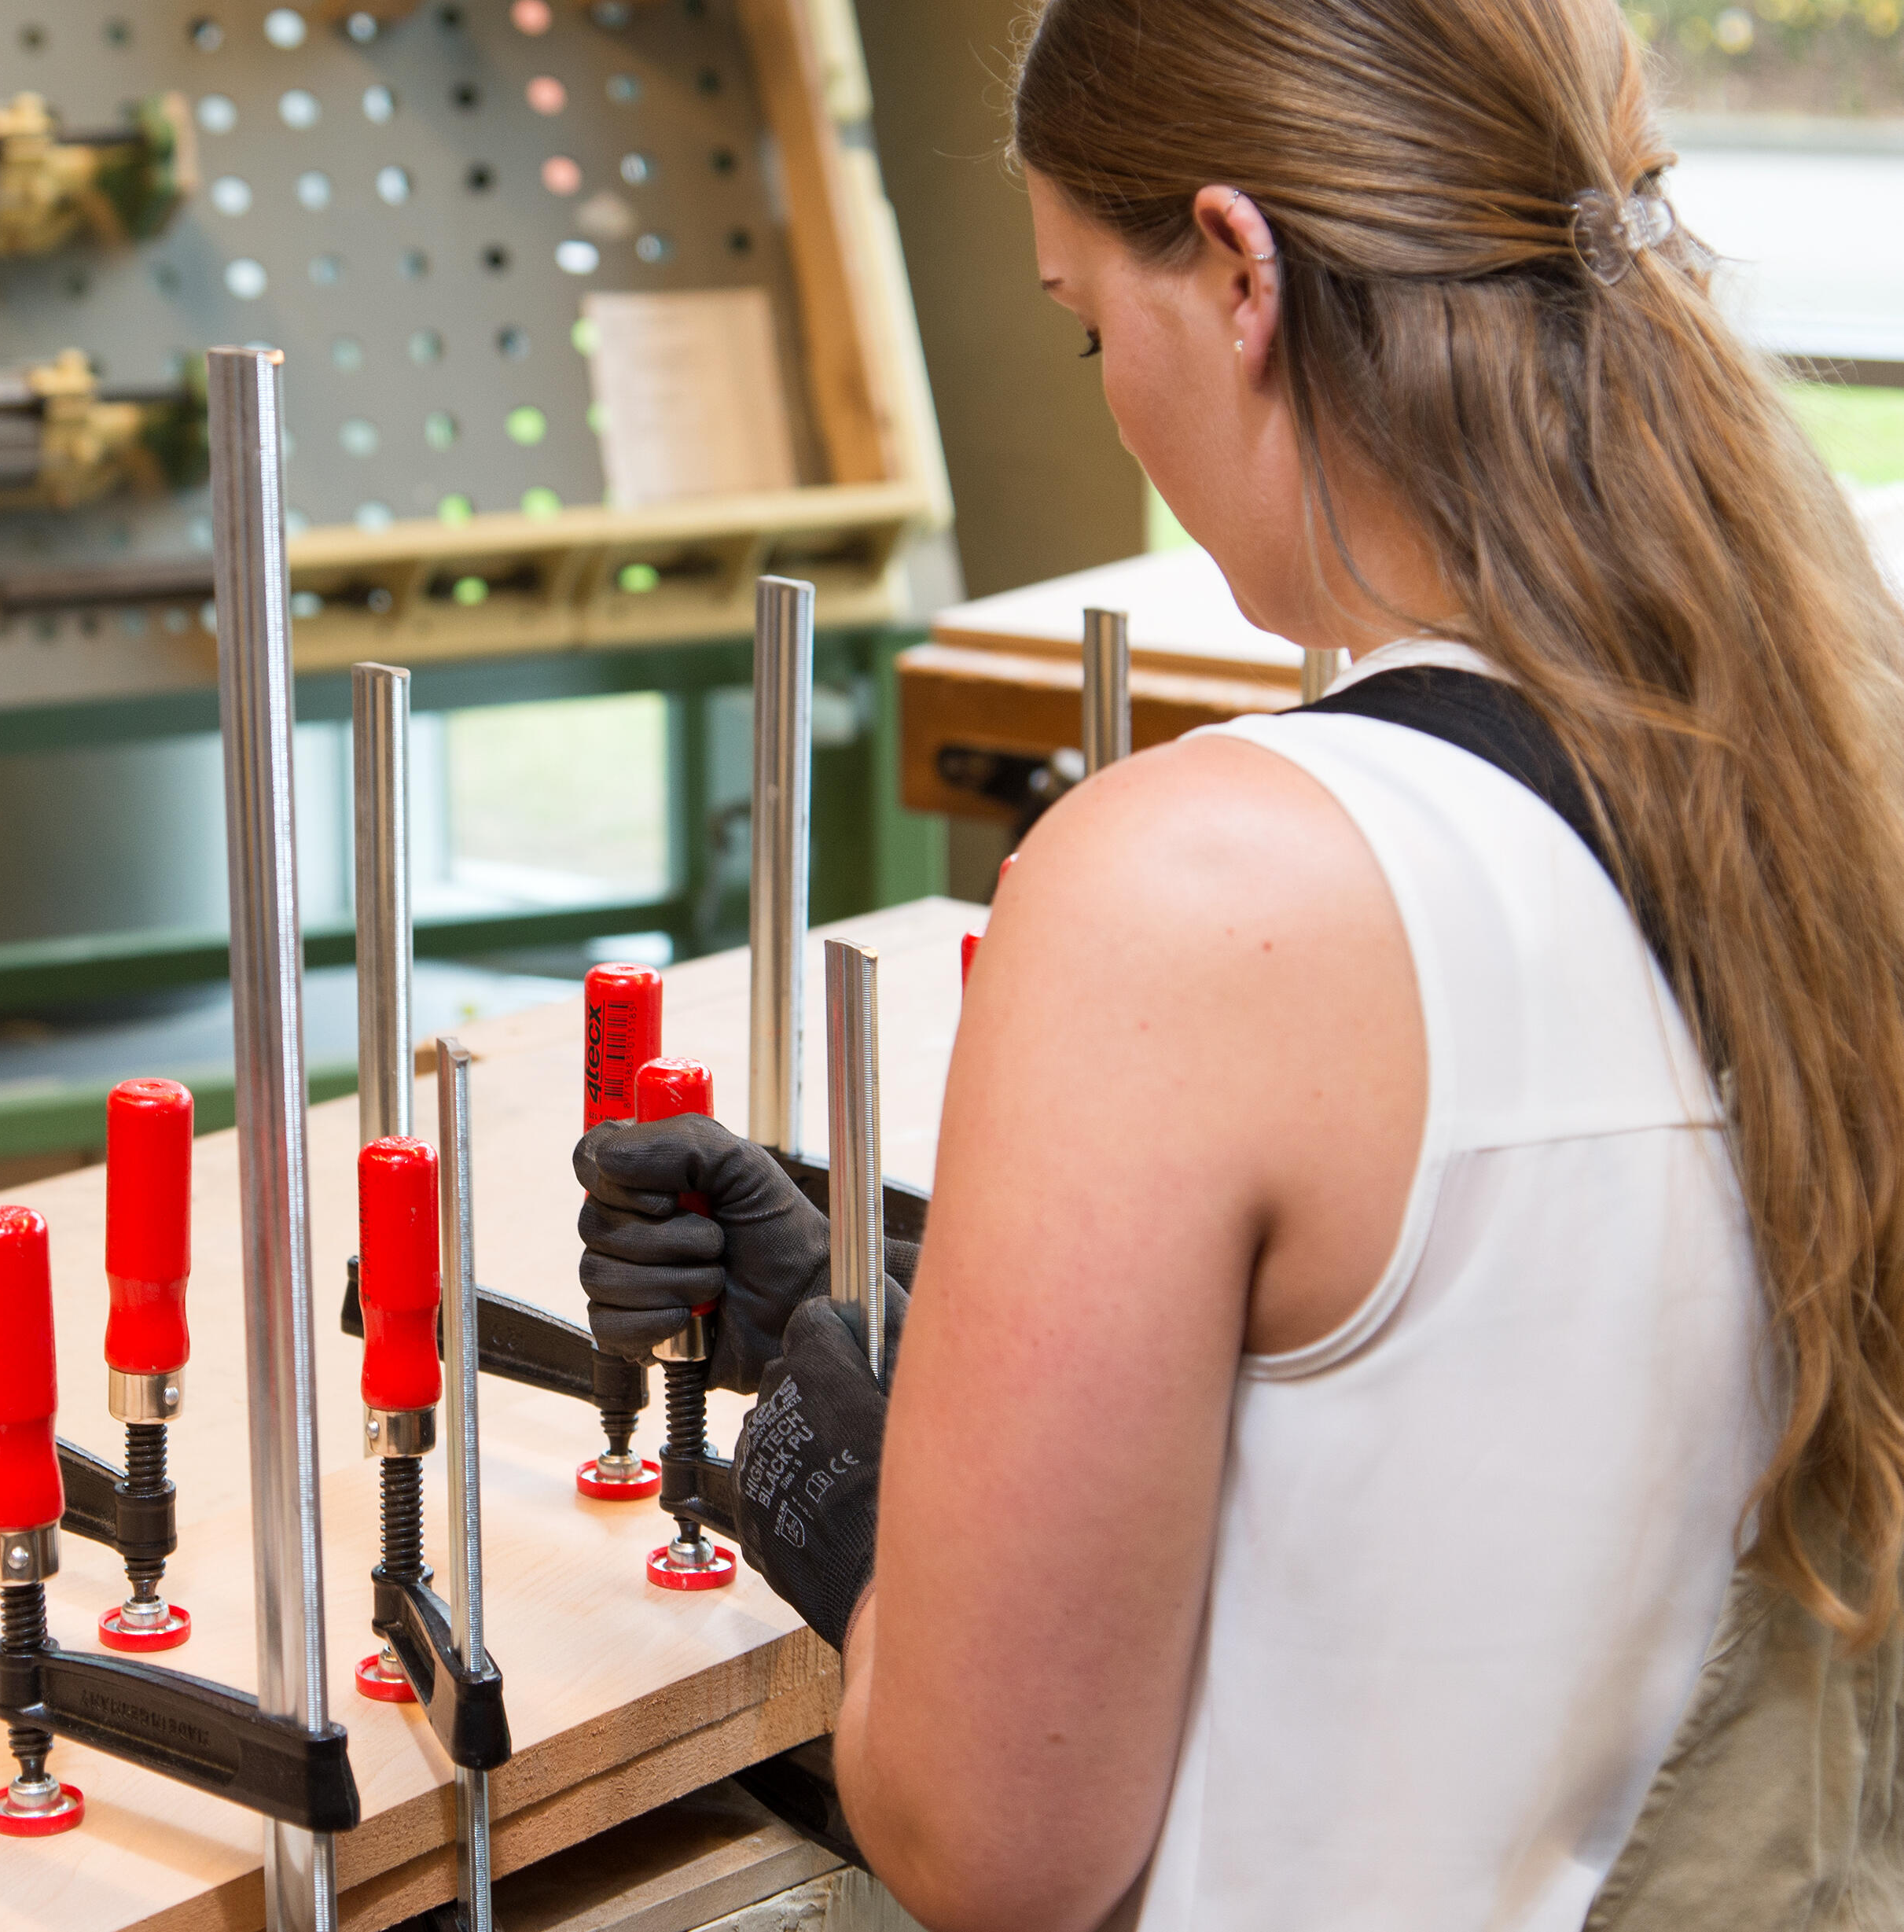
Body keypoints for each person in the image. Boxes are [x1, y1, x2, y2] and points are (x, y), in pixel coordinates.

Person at [572, 2, 1904, 1926]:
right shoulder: (1826, 768)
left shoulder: (1197, 886)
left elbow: (996, 1844)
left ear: (1238, 271)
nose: (1111, 382)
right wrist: (900, 1361)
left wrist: (851, 1509)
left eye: (1090, 323)